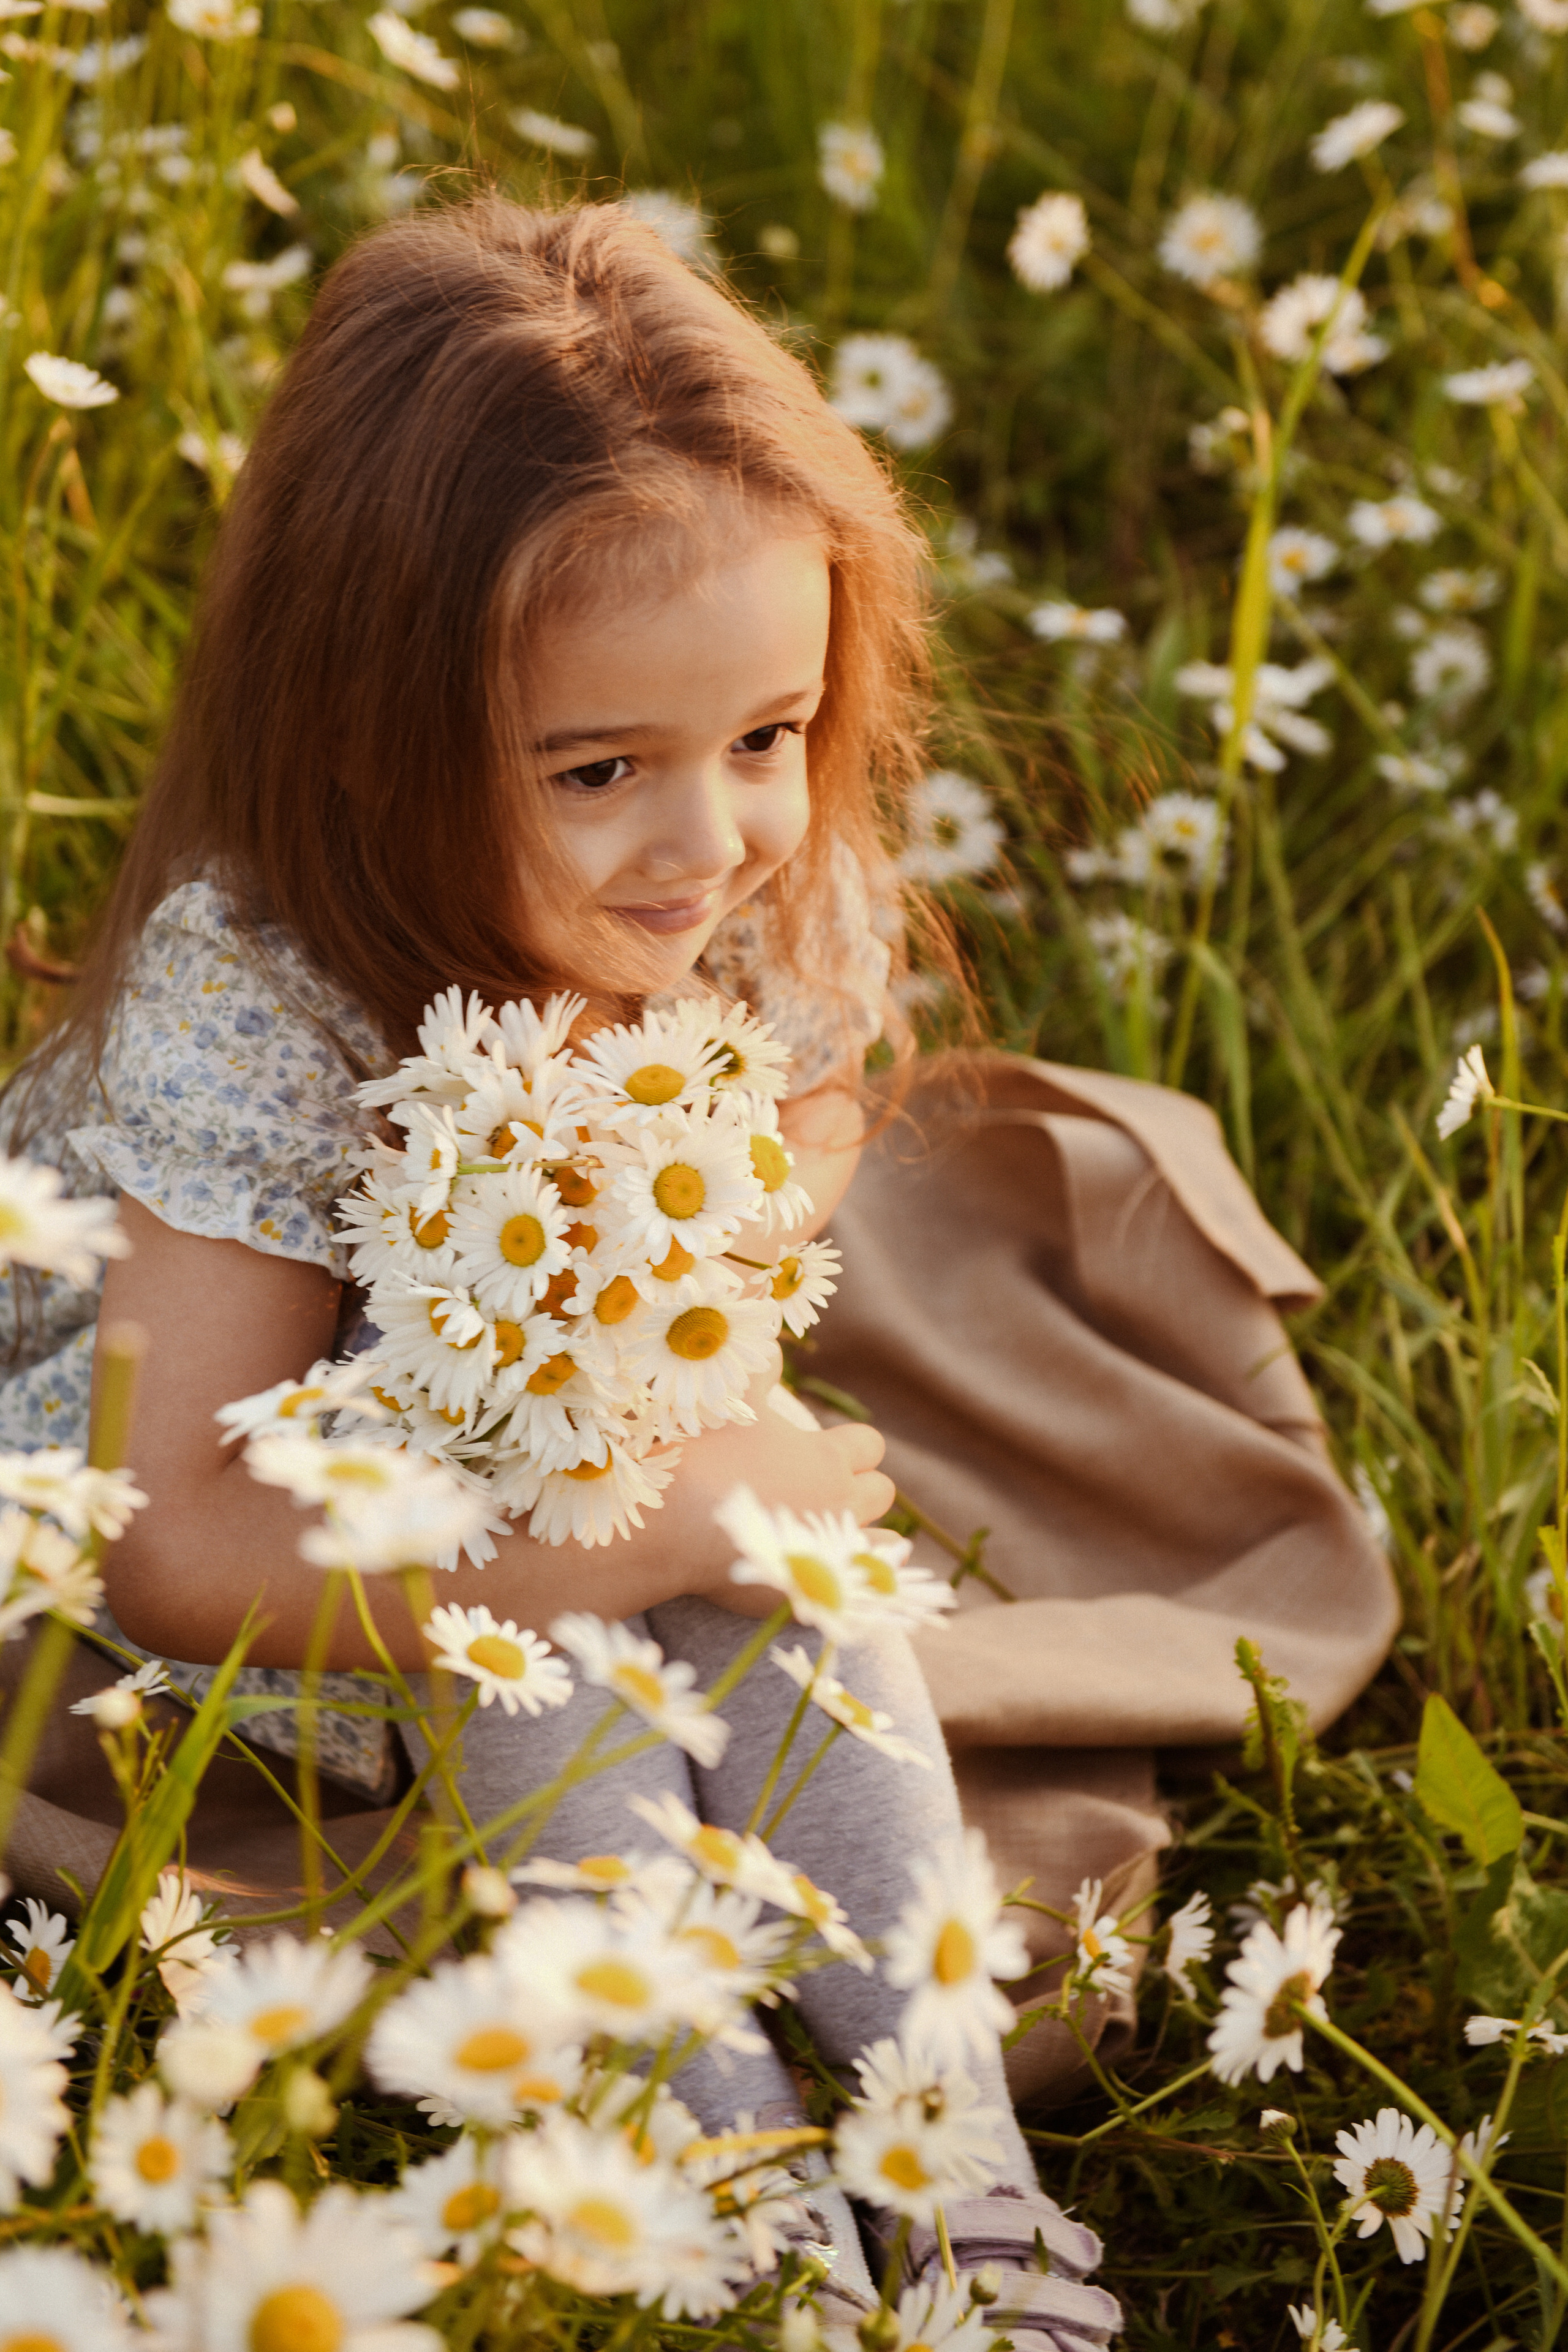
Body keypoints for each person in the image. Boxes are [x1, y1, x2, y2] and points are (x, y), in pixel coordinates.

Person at [0, 200, 1118, 2345]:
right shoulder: (263, 992)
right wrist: (610, 1547)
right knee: (559, 1690)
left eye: (770, 735)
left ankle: (947, 2147)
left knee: (799, 1596)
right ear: (366, 741)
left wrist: (698, 1479)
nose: (707, 843)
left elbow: (735, 1287)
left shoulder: (779, 912)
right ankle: (727, 2203)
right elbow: (180, 1552)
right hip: (305, 1519)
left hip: (576, 1439)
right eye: (600, 770)